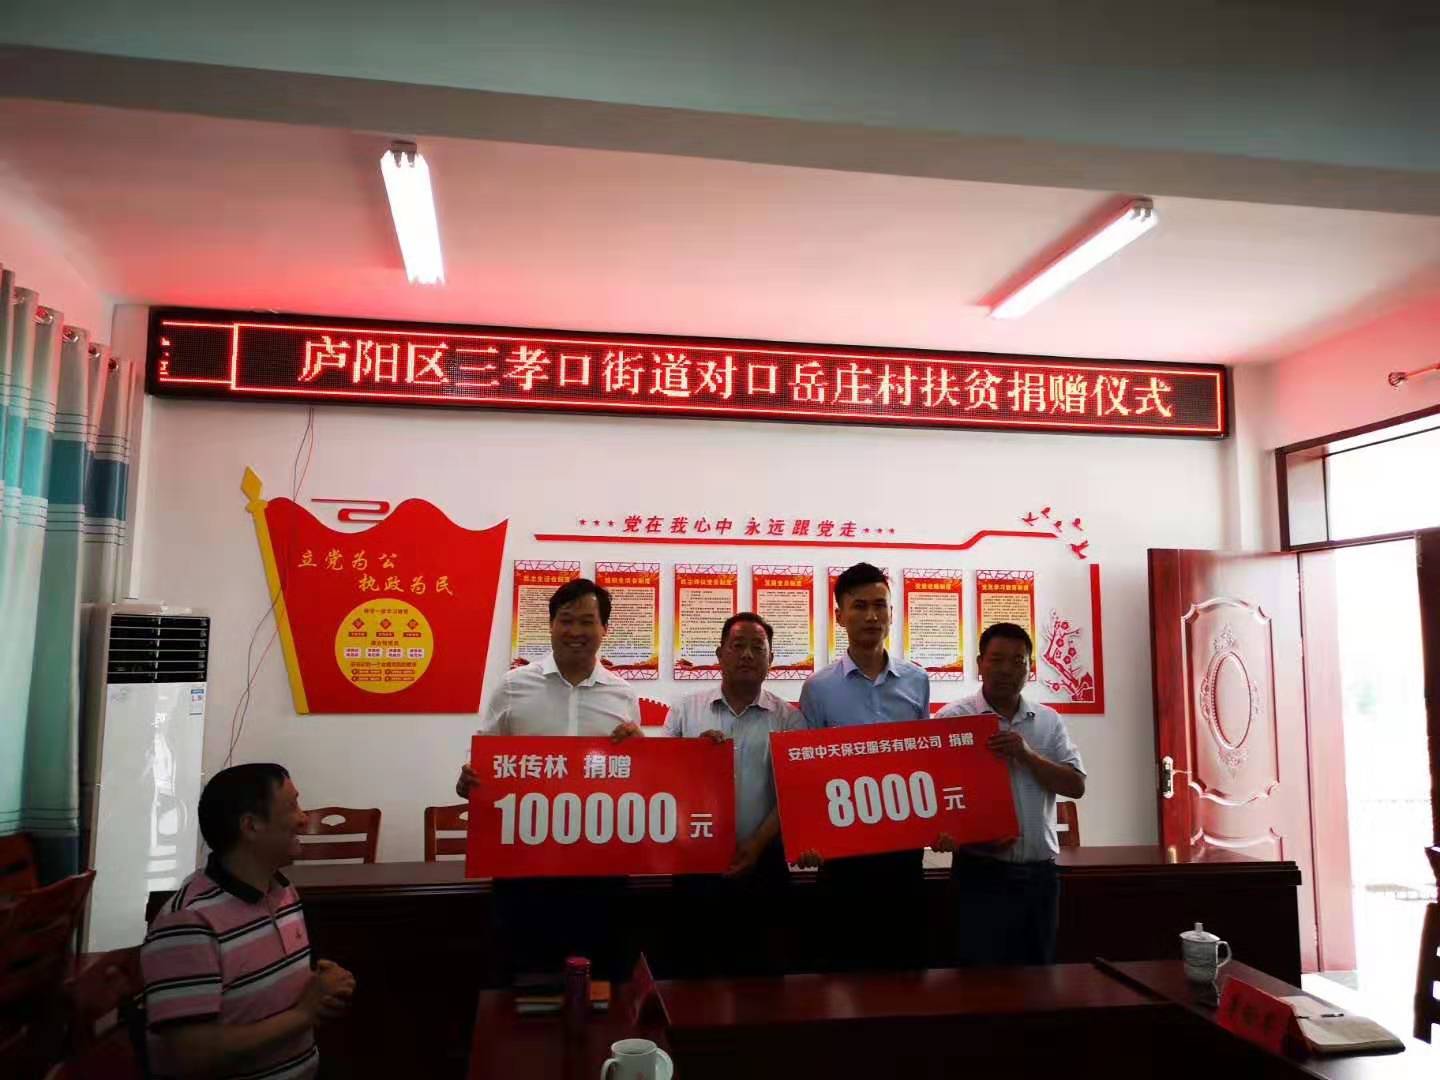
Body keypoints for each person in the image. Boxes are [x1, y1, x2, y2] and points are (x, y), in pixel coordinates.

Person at [453, 578, 642, 980]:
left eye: (587, 621)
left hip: (599, 865)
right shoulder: (514, 686)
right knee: (525, 976)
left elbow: (633, 776)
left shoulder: (623, 694)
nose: (575, 631)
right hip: (525, 867)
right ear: (551, 625)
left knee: (601, 976)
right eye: (566, 620)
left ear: (604, 629)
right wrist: (467, 780)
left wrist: (641, 752)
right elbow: (483, 762)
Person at [140, 764, 354, 1080]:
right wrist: (304, 1014)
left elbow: (259, 992)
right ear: (251, 826)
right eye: (292, 806)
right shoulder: (189, 922)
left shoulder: (283, 891)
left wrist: (321, 986)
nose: (304, 818)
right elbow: (189, 1056)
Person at [797, 561, 934, 971]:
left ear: (892, 613)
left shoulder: (917, 680)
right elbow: (806, 772)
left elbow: (926, 760)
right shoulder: (818, 688)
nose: (872, 616)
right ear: (840, 616)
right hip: (843, 857)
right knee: (843, 971)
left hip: (902, 850)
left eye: (880, 605)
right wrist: (809, 837)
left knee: (903, 969)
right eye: (860, 606)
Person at [936, 621, 1086, 966]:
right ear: (980, 663)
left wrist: (1026, 755)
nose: (1006, 669)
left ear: (1029, 668)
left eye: (1017, 661)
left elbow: (1076, 786)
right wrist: (961, 837)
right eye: (996, 659)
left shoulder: (1047, 721)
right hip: (980, 874)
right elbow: (935, 799)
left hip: (1040, 877)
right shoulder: (952, 720)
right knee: (979, 978)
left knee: (1038, 977)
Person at [664, 612, 803, 974]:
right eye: (738, 645)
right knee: (695, 975)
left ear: (771, 659)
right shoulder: (685, 711)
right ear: (719, 654)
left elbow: (792, 793)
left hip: (765, 865)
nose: (747, 655)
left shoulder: (788, 719)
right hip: (696, 865)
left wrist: (756, 845)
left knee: (762, 978)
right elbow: (662, 782)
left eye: (758, 647)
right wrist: (691, 756)